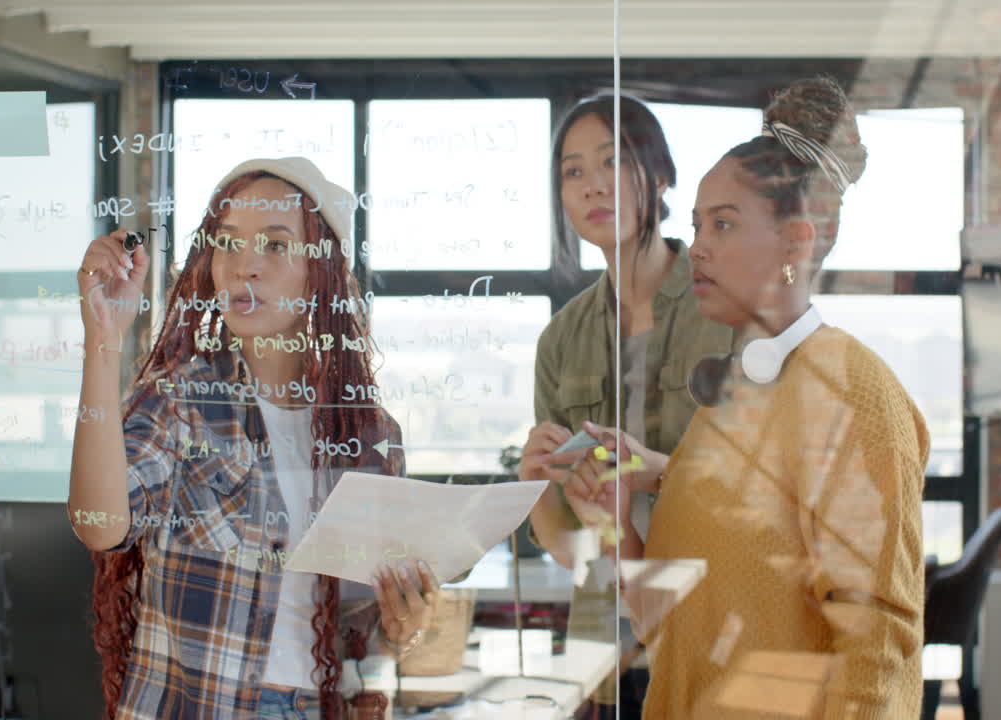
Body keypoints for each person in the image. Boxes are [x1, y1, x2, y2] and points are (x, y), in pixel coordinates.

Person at [579, 76, 929, 718]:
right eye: (697, 225)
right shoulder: (732, 404)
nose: (699, 247)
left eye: (725, 223)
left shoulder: (852, 391)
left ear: (796, 242)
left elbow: (877, 638)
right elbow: (675, 630)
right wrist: (620, 522)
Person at [68, 157, 439, 720]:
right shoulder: (180, 402)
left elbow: (362, 634)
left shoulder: (369, 436)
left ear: (322, 273)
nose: (245, 266)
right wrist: (103, 340)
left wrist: (403, 628)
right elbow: (99, 527)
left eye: (274, 245)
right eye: (229, 243)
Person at [518, 94, 734, 719]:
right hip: (601, 629)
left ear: (659, 175)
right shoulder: (561, 338)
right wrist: (537, 489)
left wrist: (660, 471)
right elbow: (564, 536)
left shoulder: (719, 307)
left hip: (712, 612)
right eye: (573, 172)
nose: (593, 186)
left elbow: (761, 490)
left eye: (613, 161)